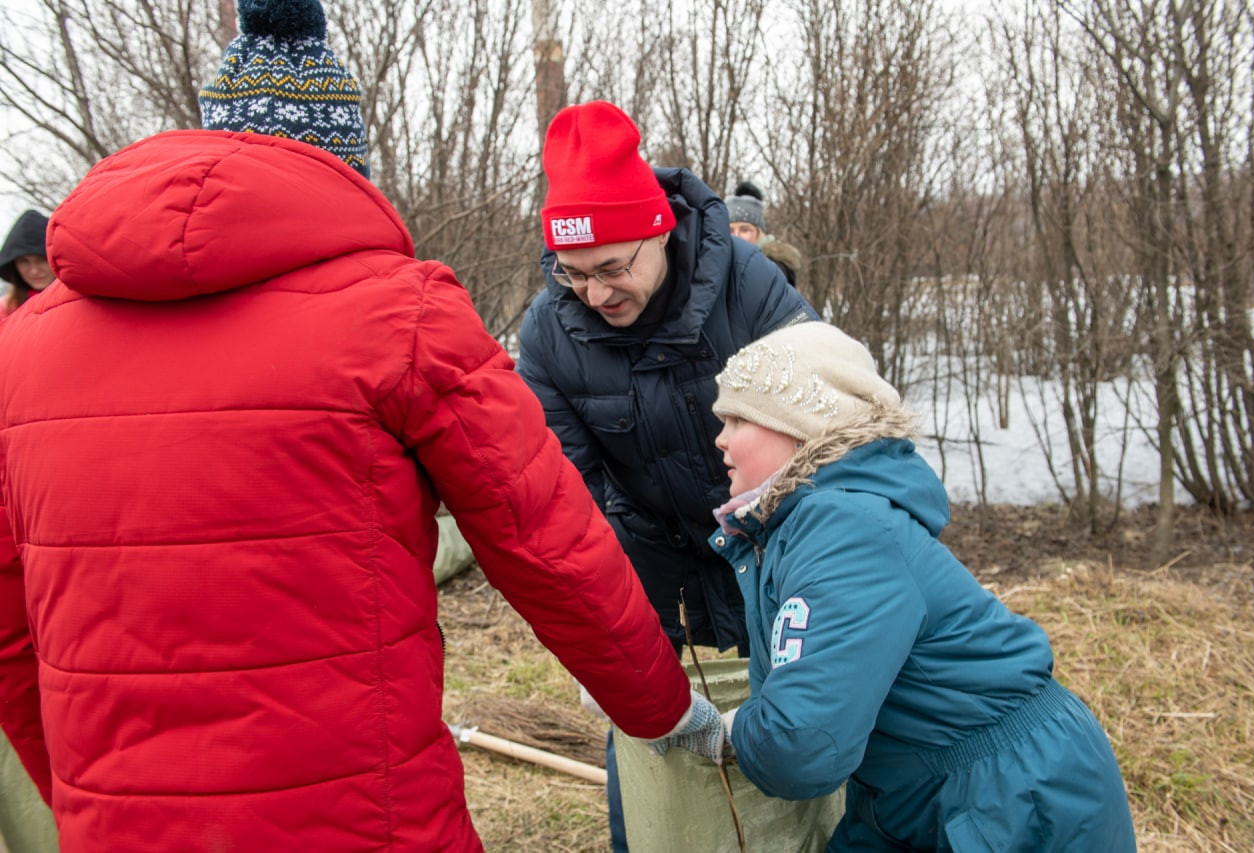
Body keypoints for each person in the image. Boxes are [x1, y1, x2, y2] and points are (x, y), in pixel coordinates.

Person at [0, 2, 720, 850]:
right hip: (365, 822)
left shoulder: (24, 350)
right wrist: (661, 706)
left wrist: (87, 793)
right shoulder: (399, 313)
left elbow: (12, 629)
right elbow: (544, 539)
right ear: (342, 168)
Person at [672, 321, 1138, 850]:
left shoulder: (842, 528)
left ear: (800, 426)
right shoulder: (796, 525)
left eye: (738, 418)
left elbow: (802, 748)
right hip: (911, 789)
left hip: (1011, 796)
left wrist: (725, 731)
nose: (720, 438)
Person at [516, 100, 817, 849]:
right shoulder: (549, 334)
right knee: (647, 752)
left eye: (614, 267)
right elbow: (565, 505)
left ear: (659, 229)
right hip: (649, 553)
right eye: (573, 272)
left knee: (799, 743)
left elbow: (830, 442)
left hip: (774, 544)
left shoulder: (751, 288)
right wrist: (602, 646)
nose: (595, 293)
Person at [724, 180, 803, 287]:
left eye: (744, 230)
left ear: (758, 232)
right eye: (731, 230)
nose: (736, 236)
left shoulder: (775, 268)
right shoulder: (723, 263)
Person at [0, 210, 55, 315]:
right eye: (24, 261)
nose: (34, 271)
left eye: (43, 260)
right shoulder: (5, 312)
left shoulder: (84, 303)